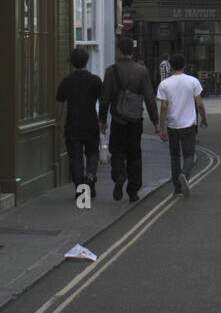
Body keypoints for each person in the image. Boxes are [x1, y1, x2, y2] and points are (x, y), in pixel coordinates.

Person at [100, 36, 160, 203]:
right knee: (134, 155)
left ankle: (119, 175)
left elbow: (104, 98)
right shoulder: (142, 71)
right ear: (132, 52)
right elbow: (149, 98)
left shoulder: (111, 71)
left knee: (117, 151)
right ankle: (133, 191)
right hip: (135, 120)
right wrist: (156, 122)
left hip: (118, 120)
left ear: (119, 51)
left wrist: (102, 121)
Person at [55, 47, 103, 198]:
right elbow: (103, 101)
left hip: (73, 124)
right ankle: (90, 176)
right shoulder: (95, 80)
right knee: (93, 152)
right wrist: (103, 121)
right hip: (90, 122)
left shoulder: (66, 81)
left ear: (72, 63)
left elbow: (59, 103)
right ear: (87, 62)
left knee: (75, 157)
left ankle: (81, 190)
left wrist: (58, 122)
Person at [157, 53, 208, 197]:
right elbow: (199, 104)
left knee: (174, 157)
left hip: (173, 125)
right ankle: (185, 174)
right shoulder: (193, 81)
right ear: (184, 65)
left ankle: (177, 188)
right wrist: (204, 118)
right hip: (189, 125)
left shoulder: (164, 84)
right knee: (189, 154)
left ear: (170, 66)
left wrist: (161, 128)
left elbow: (163, 108)